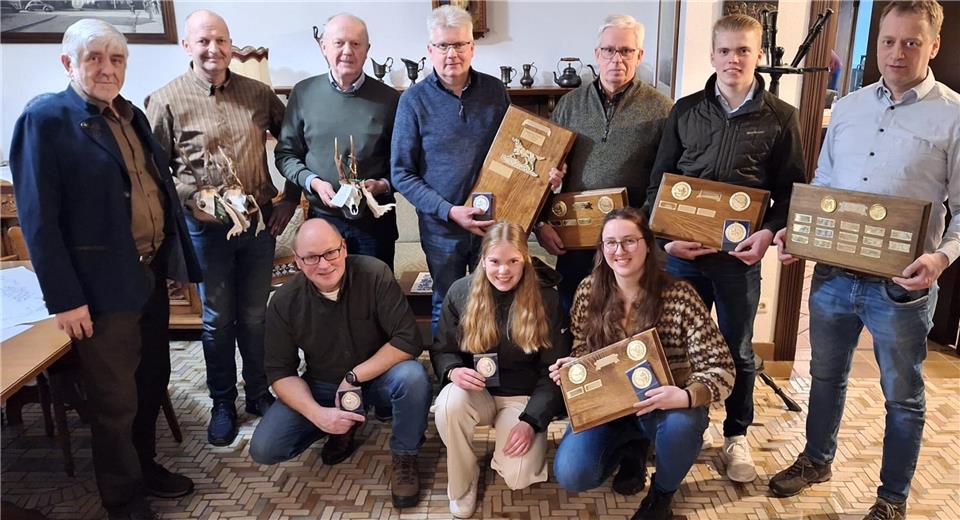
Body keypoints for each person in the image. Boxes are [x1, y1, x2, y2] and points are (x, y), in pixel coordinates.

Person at [769, 3, 958, 518]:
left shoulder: (954, 114)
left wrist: (940, 259)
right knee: (827, 378)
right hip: (833, 276)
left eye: (911, 42)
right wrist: (798, 233)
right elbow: (825, 185)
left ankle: (891, 497)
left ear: (933, 46)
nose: (897, 53)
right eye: (889, 40)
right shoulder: (848, 107)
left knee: (903, 396)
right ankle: (816, 459)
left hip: (902, 287)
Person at [10, 18, 201, 520]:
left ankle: (145, 466)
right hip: (99, 290)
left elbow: (157, 192)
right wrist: (66, 299)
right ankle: (123, 497)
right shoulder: (45, 120)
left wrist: (175, 260)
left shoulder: (129, 116)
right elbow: (38, 221)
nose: (106, 68)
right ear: (67, 63)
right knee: (114, 400)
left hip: (149, 276)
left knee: (150, 381)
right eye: (93, 58)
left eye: (116, 59)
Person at [644, 13, 805, 482]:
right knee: (674, 344)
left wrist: (769, 233)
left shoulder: (782, 117)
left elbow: (791, 194)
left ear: (758, 55)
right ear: (711, 55)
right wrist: (665, 238)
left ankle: (736, 436)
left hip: (738, 262)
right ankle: (676, 429)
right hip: (682, 256)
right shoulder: (686, 110)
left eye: (743, 51)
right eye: (724, 50)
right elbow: (658, 184)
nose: (733, 59)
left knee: (738, 349)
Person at [146, 9, 300, 447]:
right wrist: (192, 197)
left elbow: (293, 143)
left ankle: (257, 393)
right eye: (203, 41)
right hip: (206, 232)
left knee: (255, 315)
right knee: (217, 321)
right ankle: (221, 402)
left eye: (221, 41)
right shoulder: (166, 100)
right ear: (187, 46)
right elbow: (154, 171)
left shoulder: (258, 93)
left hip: (256, 225)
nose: (213, 49)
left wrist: (290, 197)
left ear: (231, 45)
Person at [549, 208, 734, 520]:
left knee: (682, 425)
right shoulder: (587, 292)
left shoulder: (679, 295)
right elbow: (582, 349)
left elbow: (722, 368)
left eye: (629, 241)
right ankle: (630, 448)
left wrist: (687, 396)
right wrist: (572, 369)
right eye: (610, 243)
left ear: (648, 245)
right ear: (601, 249)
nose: (619, 251)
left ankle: (662, 493)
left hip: (664, 406)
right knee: (572, 473)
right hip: (608, 409)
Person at [249, 219, 432, 509]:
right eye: (310, 257)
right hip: (322, 383)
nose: (323, 265)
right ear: (297, 261)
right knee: (265, 448)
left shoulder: (375, 274)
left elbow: (408, 339)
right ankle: (339, 425)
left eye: (330, 253)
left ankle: (405, 456)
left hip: (378, 377)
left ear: (343, 248)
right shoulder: (283, 302)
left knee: (413, 377)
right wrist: (318, 414)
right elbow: (280, 373)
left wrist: (354, 376)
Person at [534, 14, 673, 312]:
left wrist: (643, 230)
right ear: (597, 55)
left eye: (626, 51)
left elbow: (665, 179)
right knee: (574, 311)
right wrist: (542, 223)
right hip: (576, 237)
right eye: (609, 50)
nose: (616, 59)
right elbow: (544, 172)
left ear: (639, 55)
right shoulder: (569, 104)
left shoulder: (662, 109)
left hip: (630, 241)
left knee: (629, 315)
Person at [432, 221, 571, 518]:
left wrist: (531, 420)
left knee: (518, 475)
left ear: (526, 260)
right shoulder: (461, 292)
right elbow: (443, 349)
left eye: (513, 261)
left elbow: (553, 371)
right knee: (447, 404)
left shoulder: (546, 298)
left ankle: (513, 448)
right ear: (483, 260)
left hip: (521, 399)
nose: (503, 271)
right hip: (476, 391)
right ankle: (463, 481)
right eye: (494, 261)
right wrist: (453, 371)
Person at [391, 4, 508, 335]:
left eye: (459, 44)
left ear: (472, 47)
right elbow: (401, 173)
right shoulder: (413, 101)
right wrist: (449, 211)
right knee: (448, 301)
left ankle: (492, 373)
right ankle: (449, 375)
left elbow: (514, 150)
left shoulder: (494, 91)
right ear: (430, 50)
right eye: (443, 45)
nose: (451, 53)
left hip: (492, 222)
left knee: (496, 299)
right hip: (442, 228)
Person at [275, 12, 400, 270]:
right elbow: (286, 155)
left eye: (356, 44)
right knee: (327, 298)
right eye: (339, 42)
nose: (347, 51)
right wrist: (314, 182)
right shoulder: (303, 94)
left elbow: (405, 163)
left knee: (375, 297)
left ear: (367, 50)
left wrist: (383, 184)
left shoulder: (390, 100)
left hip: (374, 224)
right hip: (323, 219)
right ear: (323, 46)